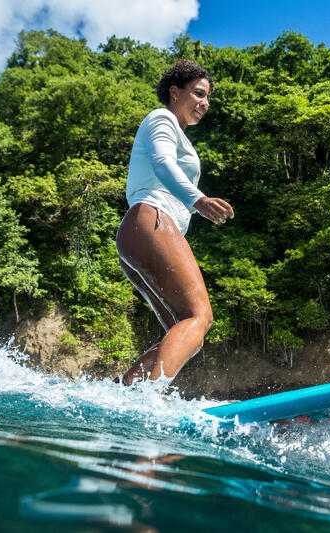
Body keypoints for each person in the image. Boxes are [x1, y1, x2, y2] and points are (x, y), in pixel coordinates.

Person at [116, 60, 234, 386]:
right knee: (200, 318)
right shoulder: (162, 118)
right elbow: (163, 162)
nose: (204, 103)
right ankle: (150, 400)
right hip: (151, 220)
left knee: (183, 331)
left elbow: (168, 179)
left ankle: (124, 392)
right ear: (174, 92)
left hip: (140, 230)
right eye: (198, 93)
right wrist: (199, 199)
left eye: (207, 98)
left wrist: (194, 206)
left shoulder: (178, 133)